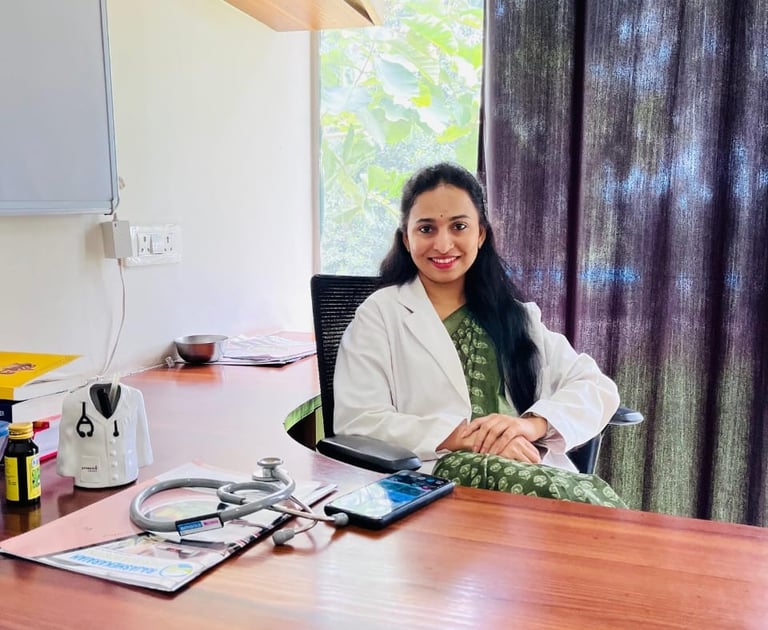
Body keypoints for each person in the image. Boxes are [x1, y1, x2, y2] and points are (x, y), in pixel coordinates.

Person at [333, 162, 620, 480]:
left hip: (531, 469)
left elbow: (596, 388)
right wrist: (469, 437)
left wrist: (530, 425)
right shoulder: (380, 315)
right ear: (406, 239)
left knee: (592, 508)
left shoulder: (516, 316)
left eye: (459, 226)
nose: (443, 245)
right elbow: (358, 421)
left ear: (480, 234)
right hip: (435, 476)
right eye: (426, 229)